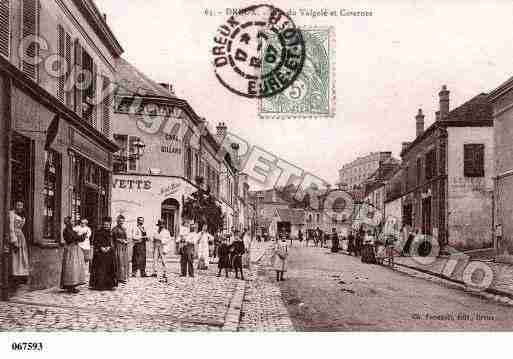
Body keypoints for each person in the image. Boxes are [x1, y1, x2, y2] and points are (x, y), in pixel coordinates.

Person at [90, 216, 117, 290]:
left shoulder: (111, 233)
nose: (106, 226)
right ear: (103, 224)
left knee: (109, 268)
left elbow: (113, 242)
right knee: (100, 269)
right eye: (105, 225)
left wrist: (109, 247)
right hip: (100, 253)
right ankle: (99, 285)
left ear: (110, 225)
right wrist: (101, 247)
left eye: (107, 225)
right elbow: (95, 242)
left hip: (109, 253)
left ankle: (109, 285)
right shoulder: (98, 232)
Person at [61, 216, 86, 293]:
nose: (73, 223)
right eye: (71, 221)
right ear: (68, 222)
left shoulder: (72, 230)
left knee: (75, 267)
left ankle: (73, 284)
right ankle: (70, 285)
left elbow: (78, 238)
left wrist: (83, 236)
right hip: (70, 250)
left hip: (75, 249)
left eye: (73, 221)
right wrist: (78, 237)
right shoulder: (66, 230)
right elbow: (71, 239)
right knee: (71, 267)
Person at [8, 201, 29, 285]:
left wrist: (23, 220)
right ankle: (15, 275)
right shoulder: (11, 214)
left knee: (22, 256)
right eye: (18, 205)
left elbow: (20, 227)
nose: (20, 207)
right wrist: (14, 240)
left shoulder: (21, 216)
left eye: (21, 206)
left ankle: (21, 275)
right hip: (16, 236)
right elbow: (11, 228)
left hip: (21, 236)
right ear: (14, 205)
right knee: (15, 256)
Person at [112, 215, 129, 284]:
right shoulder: (114, 229)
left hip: (123, 247)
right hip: (118, 246)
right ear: (117, 221)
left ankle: (123, 276)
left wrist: (126, 241)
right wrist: (122, 241)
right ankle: (119, 277)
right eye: (119, 221)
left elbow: (125, 237)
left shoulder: (124, 228)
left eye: (122, 221)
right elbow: (114, 238)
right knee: (119, 261)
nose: (121, 222)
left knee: (124, 261)